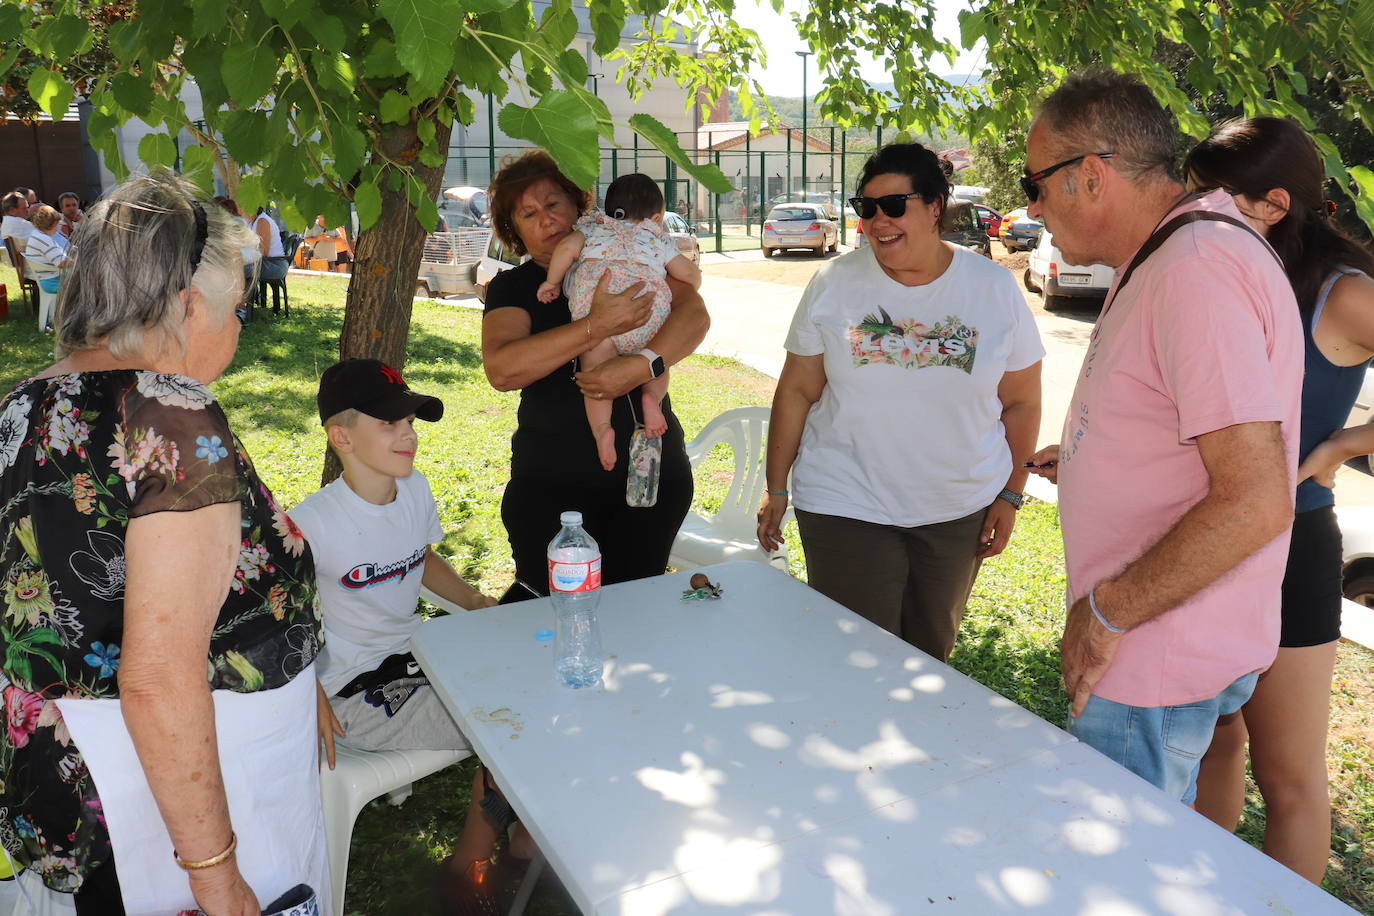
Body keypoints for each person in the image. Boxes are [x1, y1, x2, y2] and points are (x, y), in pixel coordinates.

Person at [0, 175, 326, 912]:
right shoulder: (172, 415)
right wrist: (217, 877)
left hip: (65, 784)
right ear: (185, 308)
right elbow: (156, 677)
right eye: (235, 310)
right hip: (171, 797)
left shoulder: (23, 400)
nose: (239, 331)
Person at [1023, 71, 1302, 805]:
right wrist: (1091, 456)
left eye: (1036, 182)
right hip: (1166, 641)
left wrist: (1105, 614)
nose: (1031, 206)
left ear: (1090, 175)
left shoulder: (1194, 267)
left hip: (1149, 650)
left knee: (1124, 870)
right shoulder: (1172, 249)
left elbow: (1255, 502)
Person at [756, 141, 1044, 662]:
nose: (877, 221)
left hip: (958, 508)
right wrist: (776, 486)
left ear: (935, 206)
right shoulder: (834, 283)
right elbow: (797, 389)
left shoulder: (992, 289)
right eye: (866, 208)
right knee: (858, 660)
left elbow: (1021, 402)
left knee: (932, 655)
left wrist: (1010, 494)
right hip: (846, 501)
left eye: (894, 205)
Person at [1183, 117, 1374, 883]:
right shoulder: (1231, 273)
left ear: (1273, 204)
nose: (1194, 215)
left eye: (1211, 200)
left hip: (1293, 546)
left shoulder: (1345, 293)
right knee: (1215, 741)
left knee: (1288, 776)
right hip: (1206, 541)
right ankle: (1198, 892)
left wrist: (1336, 450)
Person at [291, 358, 536, 911]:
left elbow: (420, 558)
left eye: (411, 421)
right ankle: (468, 872)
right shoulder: (311, 526)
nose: (408, 434)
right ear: (341, 437)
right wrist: (305, 692)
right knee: (507, 722)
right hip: (350, 693)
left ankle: (523, 843)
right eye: (389, 423)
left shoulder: (414, 487)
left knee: (538, 682)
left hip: (418, 655)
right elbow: (271, 616)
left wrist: (473, 600)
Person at [481, 150, 708, 599]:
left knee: (638, 606)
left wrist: (641, 365)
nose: (545, 219)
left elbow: (695, 317)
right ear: (516, 231)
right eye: (528, 213)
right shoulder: (516, 287)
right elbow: (504, 370)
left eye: (553, 204)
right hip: (553, 488)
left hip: (648, 476)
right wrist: (597, 326)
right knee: (557, 612)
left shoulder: (637, 257)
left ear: (578, 206)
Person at [537, 174, 703, 471]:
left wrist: (552, 281)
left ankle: (602, 431)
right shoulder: (655, 236)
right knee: (656, 359)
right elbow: (689, 276)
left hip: (597, 319)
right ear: (655, 217)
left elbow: (565, 251)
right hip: (646, 314)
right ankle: (651, 399)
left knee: (594, 369)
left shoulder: (590, 229)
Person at [22, 204, 72, 331]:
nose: (58, 228)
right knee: (84, 285)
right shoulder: (44, 240)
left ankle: (61, 319)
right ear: (51, 225)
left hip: (48, 278)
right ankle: (72, 321)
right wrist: (76, 261)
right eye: (56, 225)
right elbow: (60, 262)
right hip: (52, 281)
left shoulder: (36, 235)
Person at [250, 205, 289, 313]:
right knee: (240, 267)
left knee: (240, 268)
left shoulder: (262, 221)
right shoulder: (257, 220)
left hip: (274, 265)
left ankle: (242, 307)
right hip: (269, 263)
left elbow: (263, 252)